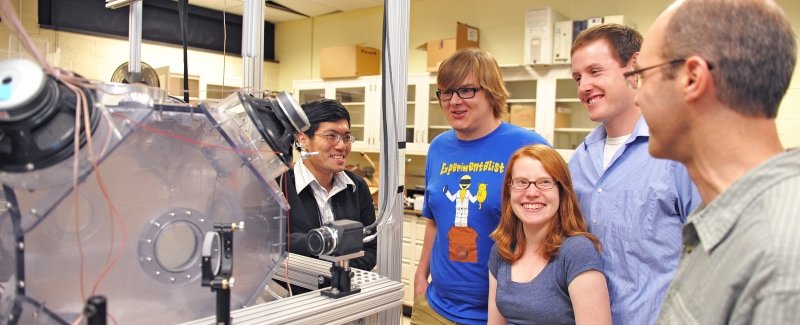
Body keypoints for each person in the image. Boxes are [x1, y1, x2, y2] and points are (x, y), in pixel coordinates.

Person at [632, 0, 800, 323]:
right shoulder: (720, 218)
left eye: (642, 76)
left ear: (692, 78)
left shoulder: (779, 263)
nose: (637, 97)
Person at [568, 23, 700, 325]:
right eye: (578, 77)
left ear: (635, 67)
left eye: (595, 71)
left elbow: (715, 259)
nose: (583, 87)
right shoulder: (578, 163)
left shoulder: (678, 154)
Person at [411, 48, 549, 324]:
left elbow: (549, 231)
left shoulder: (527, 146)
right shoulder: (438, 148)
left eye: (466, 90)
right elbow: (434, 221)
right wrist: (419, 277)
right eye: (446, 92)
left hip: (504, 312)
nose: (454, 101)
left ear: (491, 92)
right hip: (436, 307)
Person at [488, 144, 611, 325]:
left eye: (544, 182)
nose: (531, 193)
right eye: (521, 182)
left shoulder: (577, 252)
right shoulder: (502, 249)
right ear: (509, 190)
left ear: (562, 191)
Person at [281, 98, 377, 274]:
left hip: (344, 291)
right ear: (303, 140)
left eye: (346, 137)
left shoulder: (356, 187)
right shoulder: (280, 186)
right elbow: (271, 247)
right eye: (331, 136)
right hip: (294, 296)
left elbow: (370, 249)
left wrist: (338, 276)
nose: (342, 146)